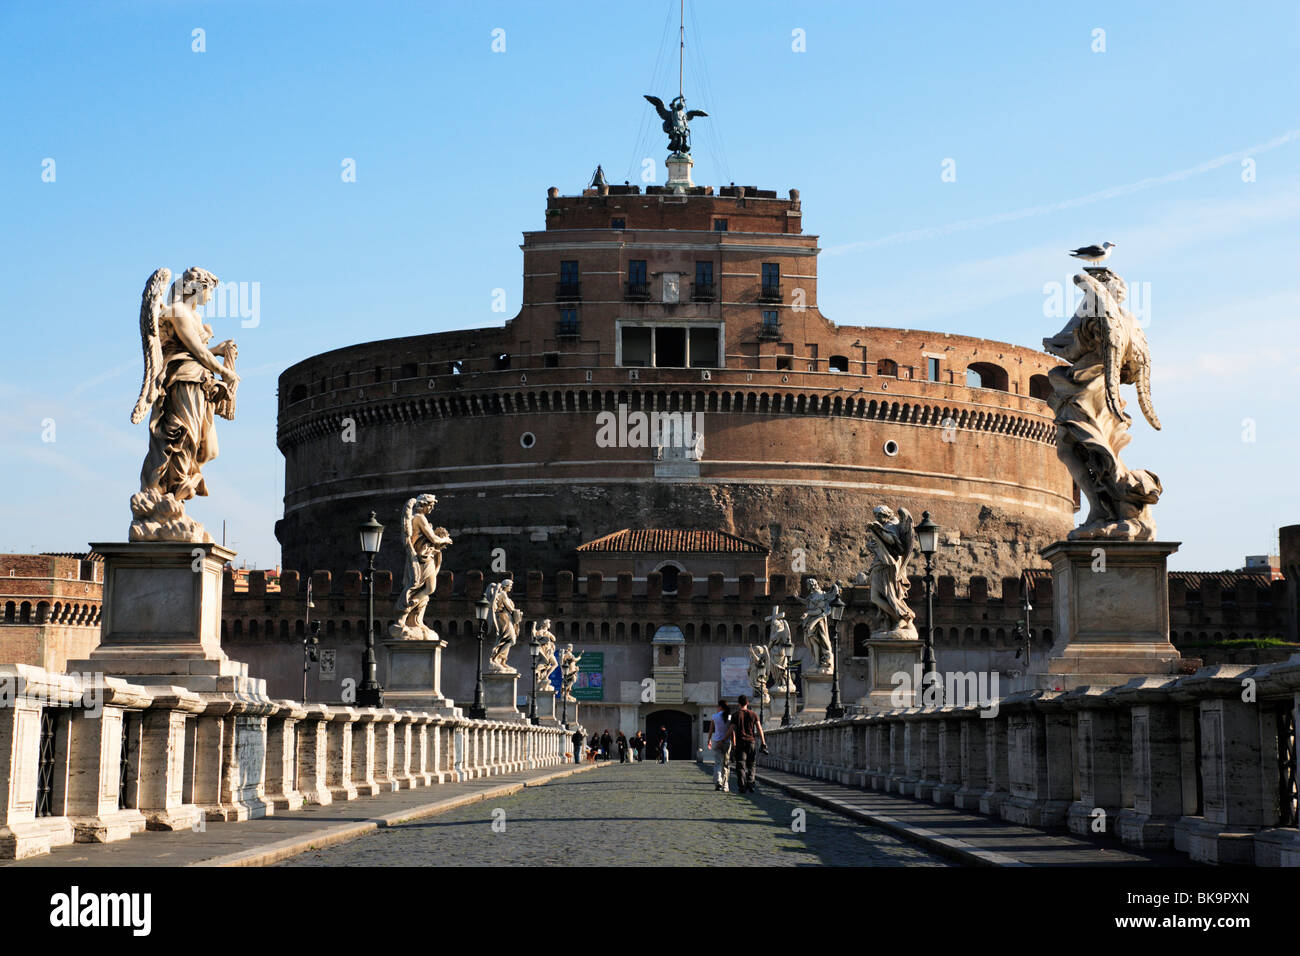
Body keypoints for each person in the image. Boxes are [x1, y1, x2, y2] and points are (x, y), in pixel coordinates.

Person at [730, 694, 768, 793]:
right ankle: (751, 783)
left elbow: (731, 730)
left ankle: (742, 786)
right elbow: (759, 729)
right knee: (751, 764)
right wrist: (763, 742)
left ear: (738, 704)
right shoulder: (753, 714)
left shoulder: (735, 715)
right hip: (751, 742)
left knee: (741, 765)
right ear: (747, 703)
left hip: (740, 743)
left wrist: (732, 742)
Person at [707, 699, 734, 792]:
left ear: (720, 707)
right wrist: (734, 742)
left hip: (716, 741)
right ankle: (725, 784)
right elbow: (732, 731)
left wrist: (709, 740)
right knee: (726, 764)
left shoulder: (715, 716)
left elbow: (711, 730)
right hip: (726, 742)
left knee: (718, 762)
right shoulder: (730, 717)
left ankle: (718, 781)